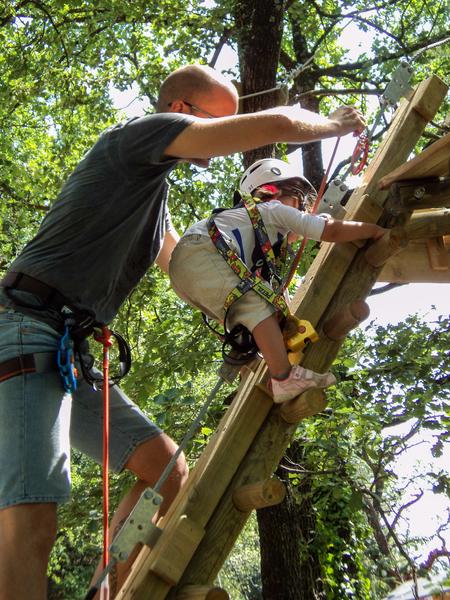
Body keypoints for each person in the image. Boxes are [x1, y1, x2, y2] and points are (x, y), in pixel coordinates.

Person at [0, 63, 366, 600]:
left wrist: (247, 318)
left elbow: (182, 272)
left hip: (69, 349)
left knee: (168, 470)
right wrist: (332, 125)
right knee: (31, 516)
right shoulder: (136, 136)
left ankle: (112, 592)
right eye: (219, 123)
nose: (218, 140)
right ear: (181, 112)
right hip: (27, 327)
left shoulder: (154, 199)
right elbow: (277, 125)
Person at [169, 158, 387, 403]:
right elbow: (331, 231)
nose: (301, 210)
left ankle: (276, 364)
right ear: (271, 192)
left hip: (186, 274)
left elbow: (287, 245)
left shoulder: (249, 237)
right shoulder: (272, 209)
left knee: (253, 306)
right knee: (254, 304)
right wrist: (374, 231)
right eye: (298, 201)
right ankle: (283, 378)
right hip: (200, 253)